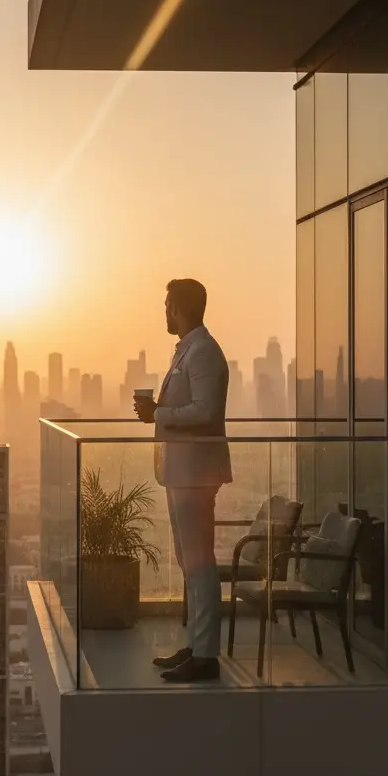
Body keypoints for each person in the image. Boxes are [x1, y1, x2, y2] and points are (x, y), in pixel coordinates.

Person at [134, 278, 231, 682]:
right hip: (182, 472)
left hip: (195, 474)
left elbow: (206, 411)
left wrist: (158, 413)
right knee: (189, 561)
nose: (164, 311)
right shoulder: (188, 350)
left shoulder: (203, 351)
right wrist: (156, 411)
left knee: (200, 563)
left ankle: (206, 656)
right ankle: (196, 645)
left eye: (167, 304)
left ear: (179, 307)